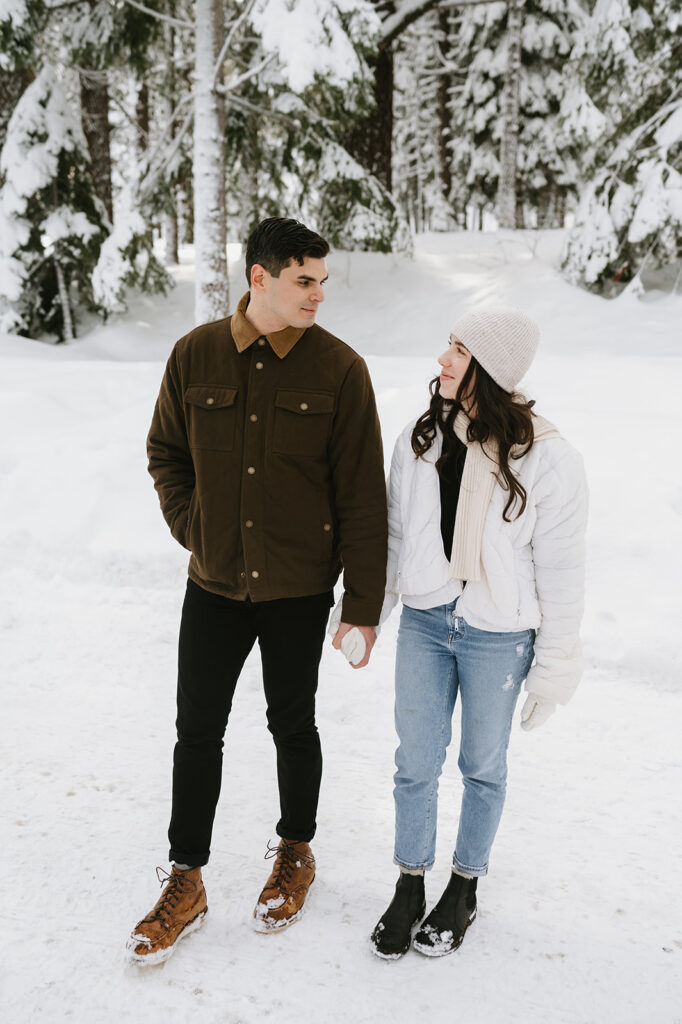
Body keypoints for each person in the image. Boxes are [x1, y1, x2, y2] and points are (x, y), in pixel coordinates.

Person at [127, 217, 387, 966]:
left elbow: (363, 497)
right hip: (212, 584)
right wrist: (196, 526)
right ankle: (187, 878)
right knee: (195, 730)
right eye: (304, 280)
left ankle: (295, 849)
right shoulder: (196, 354)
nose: (318, 295)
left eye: (323, 281)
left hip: (299, 591)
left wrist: (361, 607)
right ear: (260, 279)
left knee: (291, 723)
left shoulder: (340, 370)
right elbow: (165, 453)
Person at [369, 307, 588, 959]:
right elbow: (395, 535)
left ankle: (463, 887)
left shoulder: (547, 457)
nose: (442, 359)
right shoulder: (419, 437)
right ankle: (410, 882)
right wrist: (368, 611)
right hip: (427, 620)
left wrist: (554, 667)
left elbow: (562, 571)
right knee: (415, 761)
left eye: (459, 350)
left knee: (482, 766)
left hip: (498, 633)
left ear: (489, 368)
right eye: (448, 345)